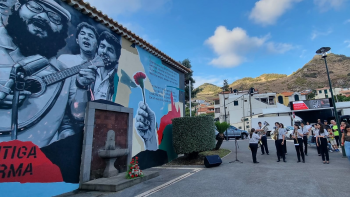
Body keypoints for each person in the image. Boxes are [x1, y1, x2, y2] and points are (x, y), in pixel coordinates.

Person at [0, 0, 98, 146]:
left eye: (54, 17)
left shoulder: (65, 73)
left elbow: (76, 118)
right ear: (18, 7)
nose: (43, 17)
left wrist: (82, 87)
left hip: (36, 161)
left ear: (62, 31)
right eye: (35, 7)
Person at [92, 31, 121, 101]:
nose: (104, 51)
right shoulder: (89, 72)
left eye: (110, 50)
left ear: (117, 58)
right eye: (102, 46)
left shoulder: (118, 81)